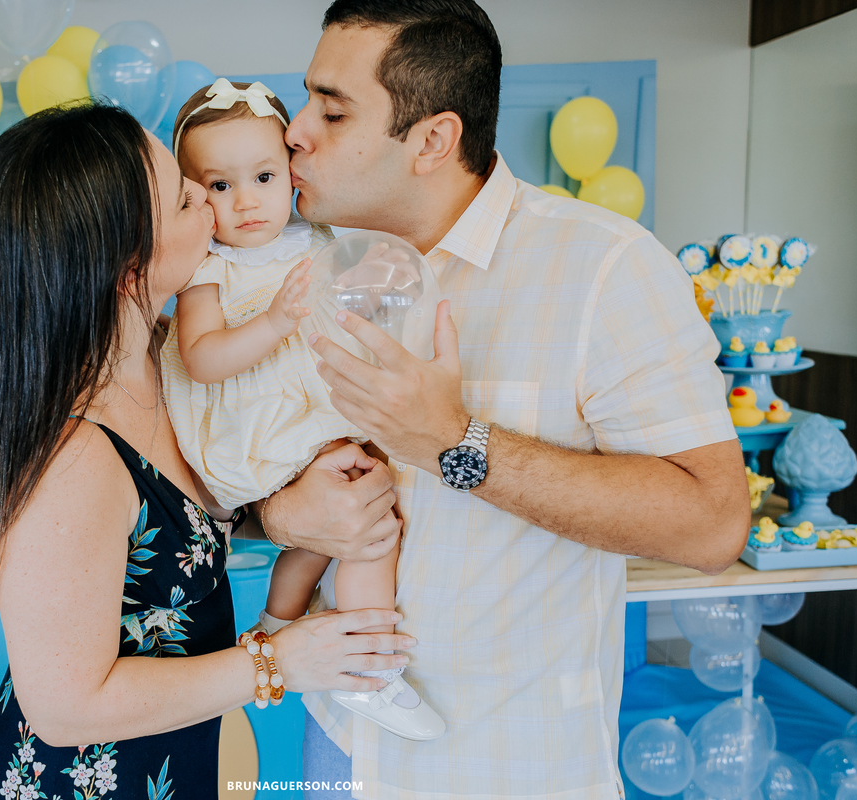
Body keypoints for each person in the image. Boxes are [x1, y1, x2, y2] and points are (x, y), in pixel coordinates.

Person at [252, 1, 753, 797]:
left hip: (507, 761)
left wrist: (454, 442)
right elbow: (243, 471)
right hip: (339, 746)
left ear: (433, 139)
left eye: (331, 109)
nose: (295, 132)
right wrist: (279, 515)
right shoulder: (296, 275)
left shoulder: (607, 268)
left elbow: (713, 522)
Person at [0, 102, 414, 800]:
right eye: (183, 196)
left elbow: (196, 515)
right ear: (126, 267)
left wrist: (293, 499)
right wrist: (276, 661)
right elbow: (63, 707)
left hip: (181, 754)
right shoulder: (73, 458)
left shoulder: (170, 354)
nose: (209, 197)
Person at [159, 78, 444, 740]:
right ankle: (371, 665)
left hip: (325, 400)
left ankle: (276, 627)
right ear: (195, 194)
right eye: (220, 187)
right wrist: (274, 322)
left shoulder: (318, 236)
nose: (247, 201)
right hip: (264, 420)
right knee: (370, 517)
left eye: (263, 175)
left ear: (291, 170)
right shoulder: (210, 268)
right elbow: (201, 356)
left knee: (330, 530)